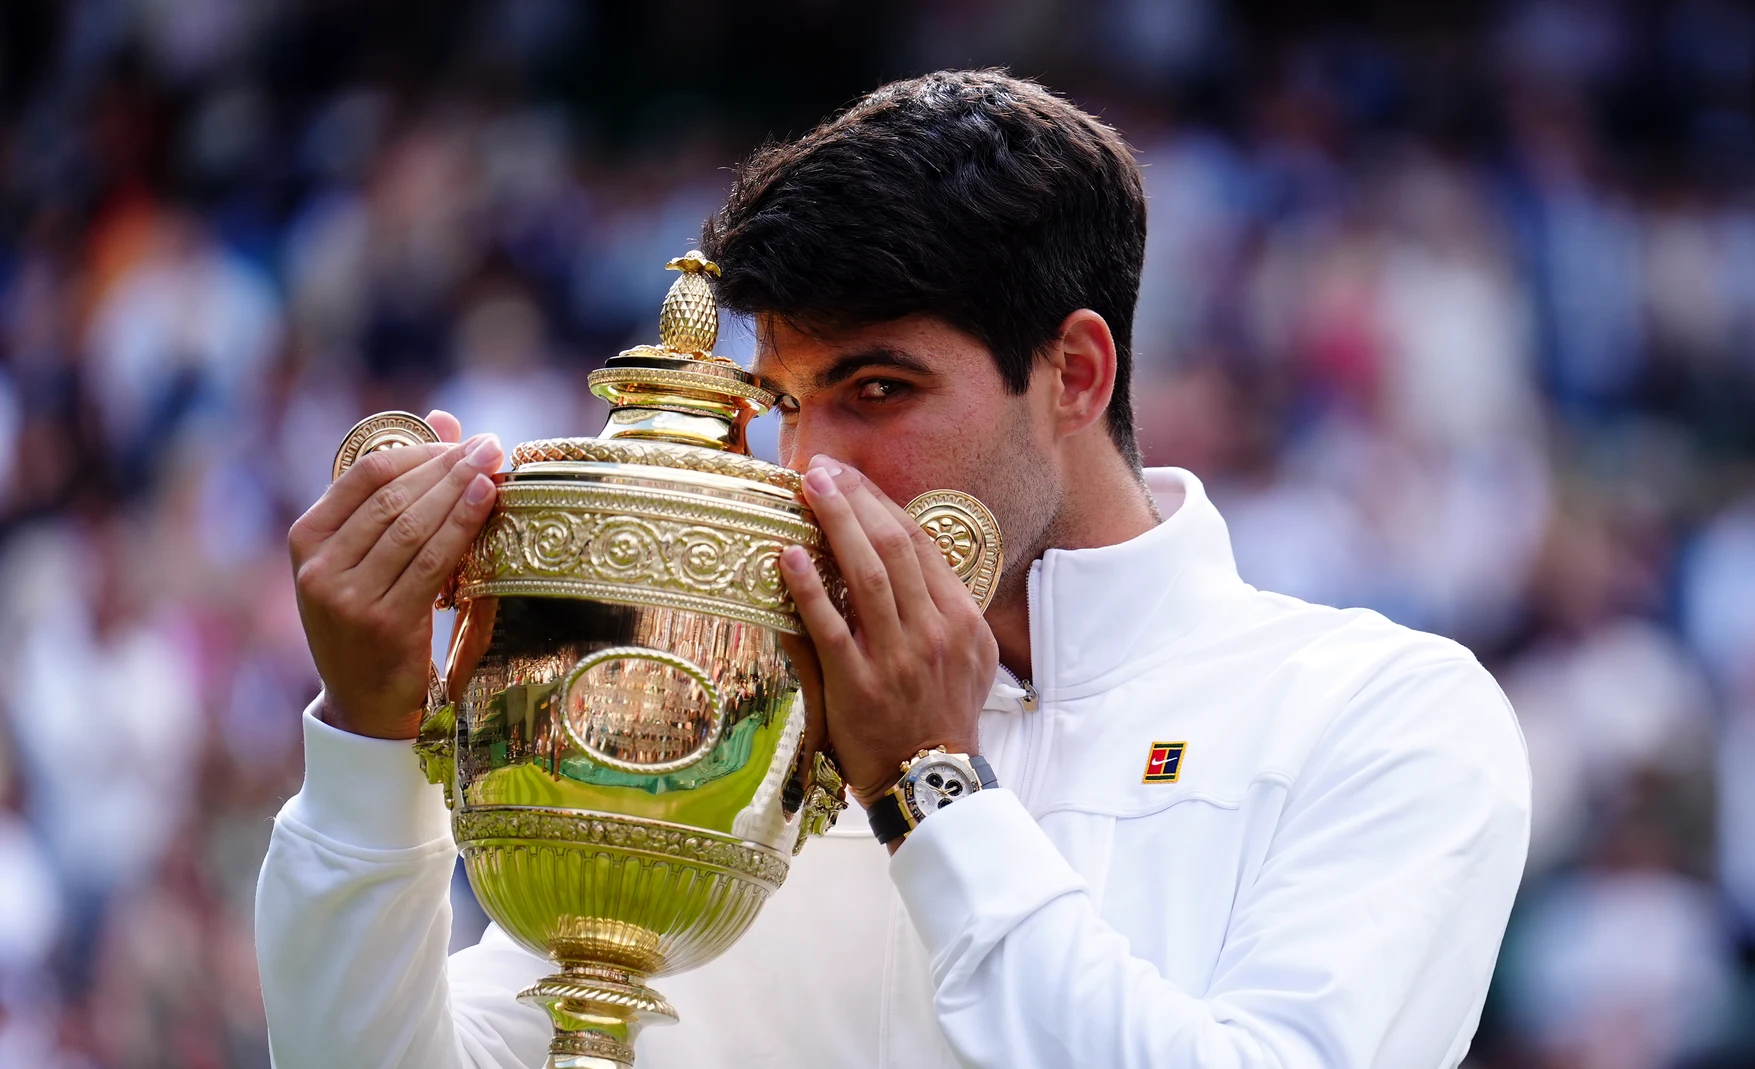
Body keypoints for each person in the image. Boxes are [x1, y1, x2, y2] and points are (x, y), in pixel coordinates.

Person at [256, 69, 1531, 1069]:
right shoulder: (746, 720)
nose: (811, 471)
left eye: (877, 390)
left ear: (1075, 374)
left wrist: (934, 792)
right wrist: (369, 740)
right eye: (784, 403)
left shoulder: (1383, 713)